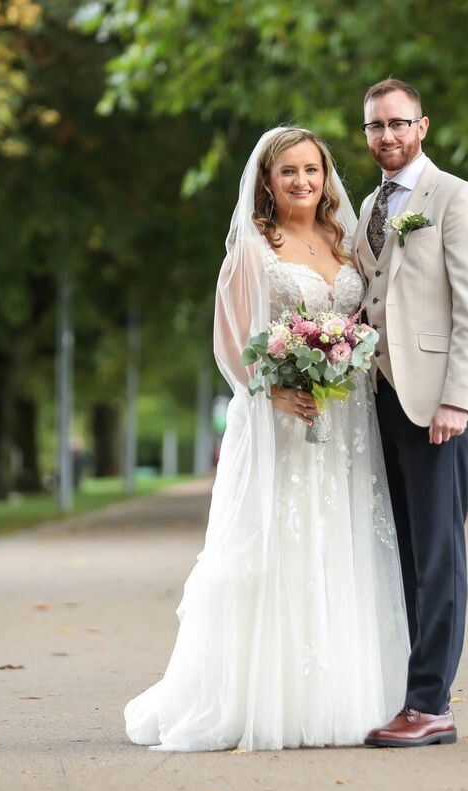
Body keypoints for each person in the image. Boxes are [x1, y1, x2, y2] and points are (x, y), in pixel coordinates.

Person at [124, 127, 409, 751]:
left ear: (326, 177)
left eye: (312, 169)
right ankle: (269, 701)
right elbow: (229, 343)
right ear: (267, 182)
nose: (302, 181)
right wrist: (271, 391)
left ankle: (344, 697)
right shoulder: (253, 250)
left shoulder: (344, 241)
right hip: (280, 420)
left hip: (348, 419)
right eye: (288, 172)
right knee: (283, 545)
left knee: (343, 542)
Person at [354, 79, 468, 748]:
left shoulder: (457, 198)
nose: (387, 135)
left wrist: (455, 398)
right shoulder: (369, 206)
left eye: (398, 123)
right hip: (384, 401)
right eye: (375, 126)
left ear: (422, 126)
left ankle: (430, 704)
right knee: (407, 557)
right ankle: (417, 694)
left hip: (441, 406)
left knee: (439, 557)